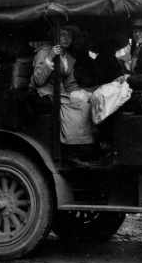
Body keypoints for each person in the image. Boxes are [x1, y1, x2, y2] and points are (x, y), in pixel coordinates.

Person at [29, 24, 97, 163]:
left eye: (70, 35)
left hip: (60, 94)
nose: (67, 38)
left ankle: (77, 150)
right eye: (63, 34)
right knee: (77, 109)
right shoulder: (45, 52)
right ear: (55, 35)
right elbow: (38, 80)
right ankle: (70, 152)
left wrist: (82, 93)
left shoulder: (69, 57)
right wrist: (51, 57)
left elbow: (70, 85)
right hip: (44, 93)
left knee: (85, 103)